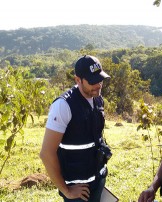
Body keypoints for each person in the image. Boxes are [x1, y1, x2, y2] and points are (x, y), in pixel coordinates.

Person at [40, 55, 112, 202]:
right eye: (92, 81)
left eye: (100, 79)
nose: (98, 85)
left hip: (97, 180)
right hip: (78, 192)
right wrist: (67, 191)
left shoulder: (97, 98)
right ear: (78, 80)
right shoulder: (63, 106)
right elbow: (46, 153)